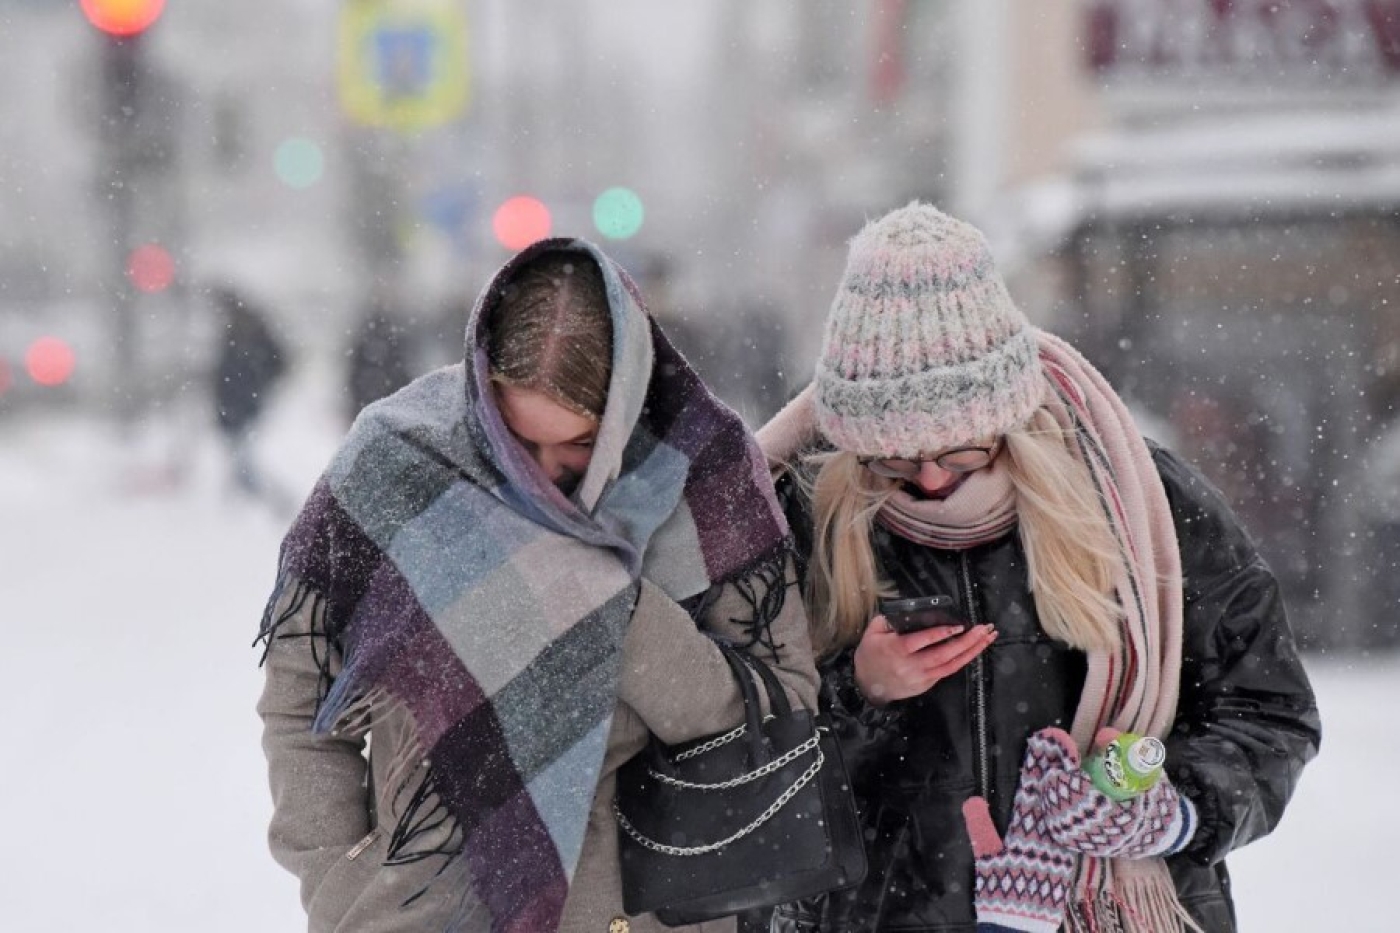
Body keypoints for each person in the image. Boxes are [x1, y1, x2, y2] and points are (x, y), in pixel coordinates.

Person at [755, 203, 1320, 933]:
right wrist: (856, 692)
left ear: (1010, 416)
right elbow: (739, 763)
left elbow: (1268, 707)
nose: (929, 479)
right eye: (893, 457)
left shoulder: (1136, 500)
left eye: (962, 449)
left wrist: (1170, 807)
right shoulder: (797, 516)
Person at [256, 238, 819, 933]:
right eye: (519, 442)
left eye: (581, 444)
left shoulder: (706, 478)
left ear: (626, 408)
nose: (546, 476)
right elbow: (301, 708)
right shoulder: (396, 468)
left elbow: (782, 706)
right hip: (432, 911)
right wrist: (339, 877)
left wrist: (614, 607)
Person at [209, 284, 290, 508]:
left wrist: (257, 385)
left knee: (243, 458)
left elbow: (274, 363)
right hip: (238, 402)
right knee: (241, 457)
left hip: (242, 403)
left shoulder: (245, 331)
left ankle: (270, 500)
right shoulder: (240, 330)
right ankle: (248, 500)